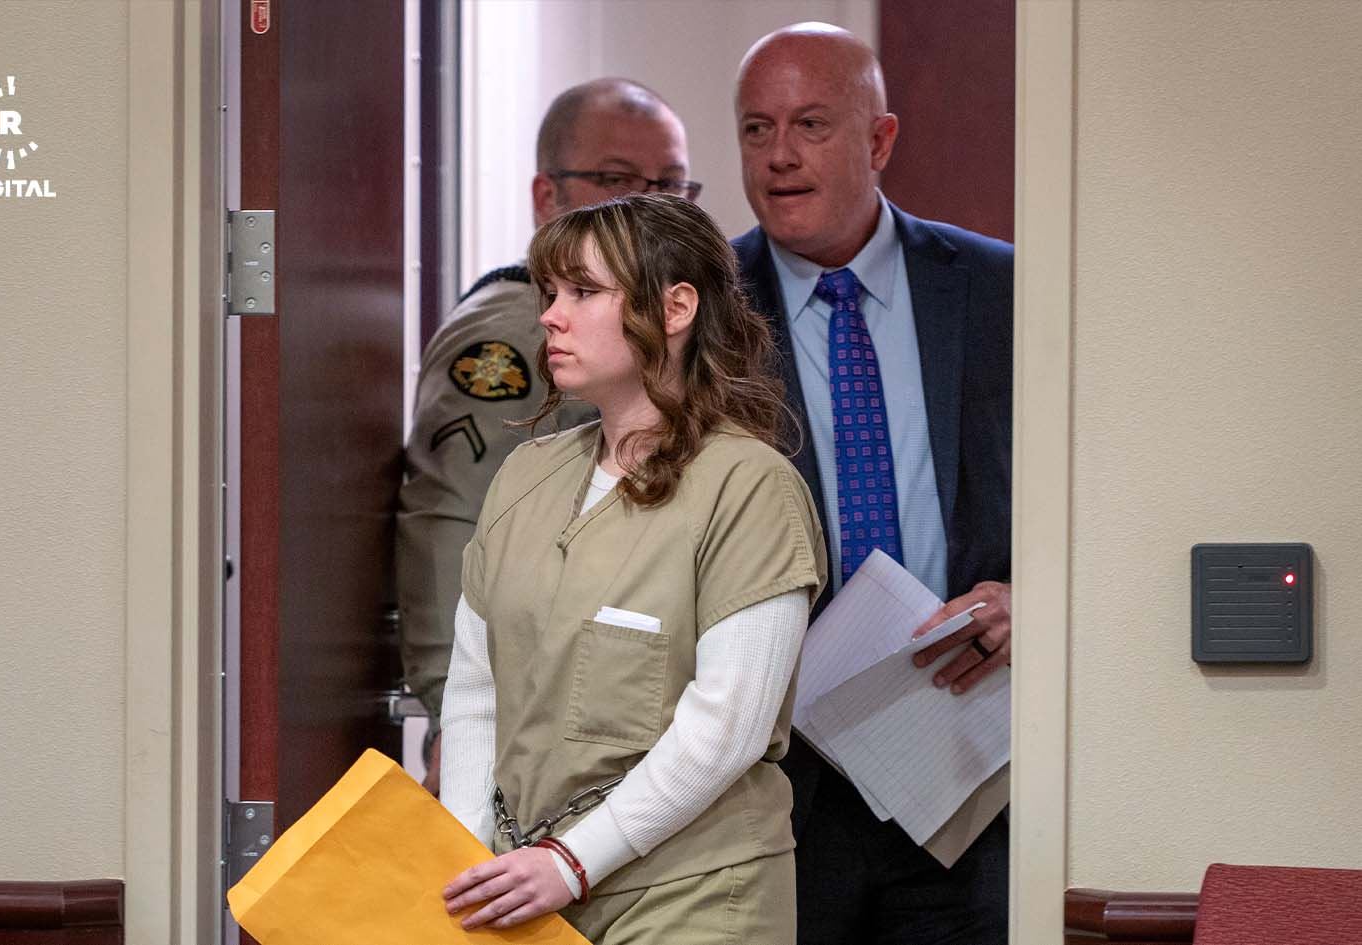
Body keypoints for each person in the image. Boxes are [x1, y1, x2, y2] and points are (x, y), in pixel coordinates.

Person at [438, 193, 827, 944]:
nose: (550, 316)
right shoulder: (524, 476)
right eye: (550, 292)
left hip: (693, 894)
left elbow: (729, 728)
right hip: (527, 890)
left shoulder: (750, 487)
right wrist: (469, 856)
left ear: (676, 308)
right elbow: (476, 689)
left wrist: (572, 862)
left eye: (583, 292)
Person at [731, 22, 1014, 945]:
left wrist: (1035, 598)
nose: (779, 156)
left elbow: (1098, 491)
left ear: (880, 140)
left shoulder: (1000, 289)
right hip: (777, 778)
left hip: (965, 758)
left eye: (810, 124)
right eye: (757, 129)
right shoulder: (699, 309)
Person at [396, 78, 699, 791]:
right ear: (546, 196)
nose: (648, 206)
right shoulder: (516, 332)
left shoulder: (664, 328)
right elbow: (449, 521)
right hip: (529, 730)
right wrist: (453, 714)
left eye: (670, 185)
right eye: (617, 180)